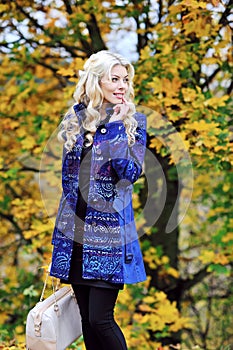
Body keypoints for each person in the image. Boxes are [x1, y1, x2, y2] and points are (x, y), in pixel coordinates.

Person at [50, 50, 147, 350]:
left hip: (109, 237)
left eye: (125, 80)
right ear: (97, 83)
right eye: (114, 79)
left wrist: (117, 127)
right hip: (75, 234)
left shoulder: (134, 123)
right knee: (86, 322)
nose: (121, 86)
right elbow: (68, 181)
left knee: (101, 318)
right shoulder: (76, 119)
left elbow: (129, 174)